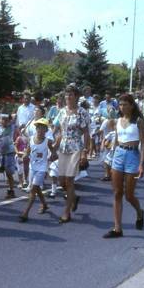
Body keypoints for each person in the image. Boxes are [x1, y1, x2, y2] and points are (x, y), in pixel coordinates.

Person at [104, 94, 144, 238]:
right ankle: (117, 228)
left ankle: (139, 211)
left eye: (125, 104)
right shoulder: (118, 120)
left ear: (132, 105)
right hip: (118, 154)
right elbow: (116, 140)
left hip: (132, 155)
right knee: (117, 193)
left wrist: (142, 164)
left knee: (129, 195)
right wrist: (110, 156)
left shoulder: (138, 121)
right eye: (120, 105)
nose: (122, 107)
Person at [52, 84, 90, 223]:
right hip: (63, 148)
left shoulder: (82, 112)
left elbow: (86, 133)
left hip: (76, 148)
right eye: (66, 94)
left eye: (71, 94)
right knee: (61, 180)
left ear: (76, 97)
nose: (68, 97)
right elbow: (59, 130)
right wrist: (53, 147)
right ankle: (74, 197)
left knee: (69, 180)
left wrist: (84, 152)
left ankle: (66, 212)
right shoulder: (62, 111)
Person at [19, 118, 56, 222]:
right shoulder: (31, 139)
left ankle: (25, 213)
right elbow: (27, 151)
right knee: (37, 188)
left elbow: (53, 152)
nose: (40, 129)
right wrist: (24, 156)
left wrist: (53, 155)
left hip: (42, 168)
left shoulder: (48, 141)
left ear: (46, 130)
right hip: (32, 167)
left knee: (33, 189)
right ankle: (45, 204)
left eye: (43, 128)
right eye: (38, 127)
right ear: (36, 128)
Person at [0, 113, 17, 200]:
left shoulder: (11, 127)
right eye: (2, 119)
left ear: (9, 120)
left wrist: (7, 118)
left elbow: (14, 116)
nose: (4, 121)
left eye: (6, 119)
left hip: (9, 153)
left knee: (8, 173)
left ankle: (11, 191)